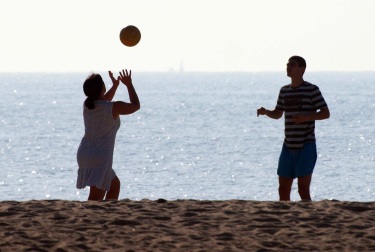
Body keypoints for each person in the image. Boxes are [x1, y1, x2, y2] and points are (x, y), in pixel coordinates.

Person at [257, 56, 330, 201]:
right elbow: (278, 114)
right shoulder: (284, 90)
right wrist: (266, 112)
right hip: (288, 145)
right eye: (287, 64)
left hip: (306, 145)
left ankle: (307, 219)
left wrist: (306, 117)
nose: (288, 67)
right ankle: (285, 220)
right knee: (283, 189)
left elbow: (325, 113)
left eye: (292, 65)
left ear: (302, 69)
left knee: (303, 189)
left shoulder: (312, 90)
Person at [76, 69, 140, 201]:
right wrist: (128, 84)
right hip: (99, 157)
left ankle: (106, 215)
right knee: (95, 198)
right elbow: (135, 106)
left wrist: (115, 86)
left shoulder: (88, 105)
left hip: (84, 154)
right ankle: (90, 220)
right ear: (102, 88)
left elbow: (103, 101)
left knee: (114, 185)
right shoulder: (113, 107)